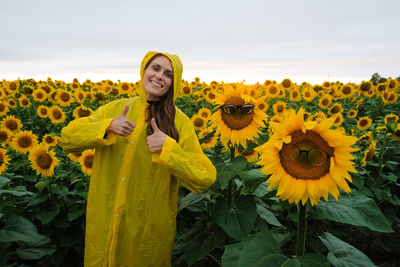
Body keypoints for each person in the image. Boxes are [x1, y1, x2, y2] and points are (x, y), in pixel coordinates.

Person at [60, 51, 216, 267]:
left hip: (147, 234)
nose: (160, 76)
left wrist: (169, 149)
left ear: (174, 83)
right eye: (155, 68)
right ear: (144, 71)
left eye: (168, 74)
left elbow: (204, 178)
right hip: (105, 223)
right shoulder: (115, 109)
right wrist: (106, 127)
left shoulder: (179, 123)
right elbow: (67, 139)